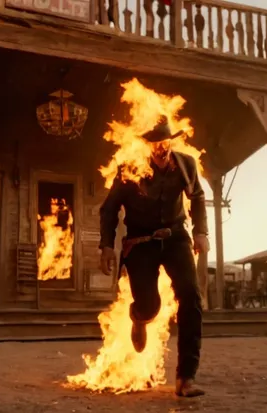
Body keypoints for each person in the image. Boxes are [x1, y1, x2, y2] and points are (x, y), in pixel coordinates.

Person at [98, 116, 210, 398]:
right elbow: (109, 209)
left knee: (191, 297)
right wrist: (106, 246)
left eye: (165, 142)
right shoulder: (129, 168)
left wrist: (201, 232)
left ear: (171, 140)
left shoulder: (186, 164)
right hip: (141, 244)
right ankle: (138, 316)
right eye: (155, 143)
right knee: (151, 306)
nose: (161, 148)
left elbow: (197, 196)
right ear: (146, 145)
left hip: (176, 238)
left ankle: (186, 378)